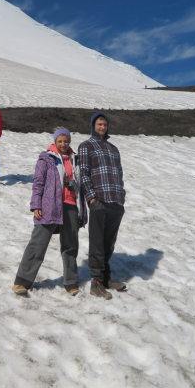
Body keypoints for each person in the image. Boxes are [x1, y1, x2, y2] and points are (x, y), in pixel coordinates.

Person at [13, 128, 86, 296]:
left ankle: (71, 282)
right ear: (55, 142)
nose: (63, 144)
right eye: (59, 141)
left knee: (70, 246)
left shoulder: (76, 160)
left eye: (66, 141)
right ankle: (22, 281)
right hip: (49, 205)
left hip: (71, 206)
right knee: (38, 243)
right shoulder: (46, 158)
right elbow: (38, 182)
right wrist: (36, 205)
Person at [77, 112, 126, 300]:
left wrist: (121, 197)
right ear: (93, 125)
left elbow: (119, 174)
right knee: (97, 243)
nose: (102, 127)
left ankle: (106, 278)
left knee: (109, 242)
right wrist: (91, 199)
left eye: (105, 124)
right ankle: (96, 282)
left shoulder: (114, 149)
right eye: (99, 124)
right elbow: (84, 173)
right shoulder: (86, 146)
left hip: (115, 200)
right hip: (99, 200)